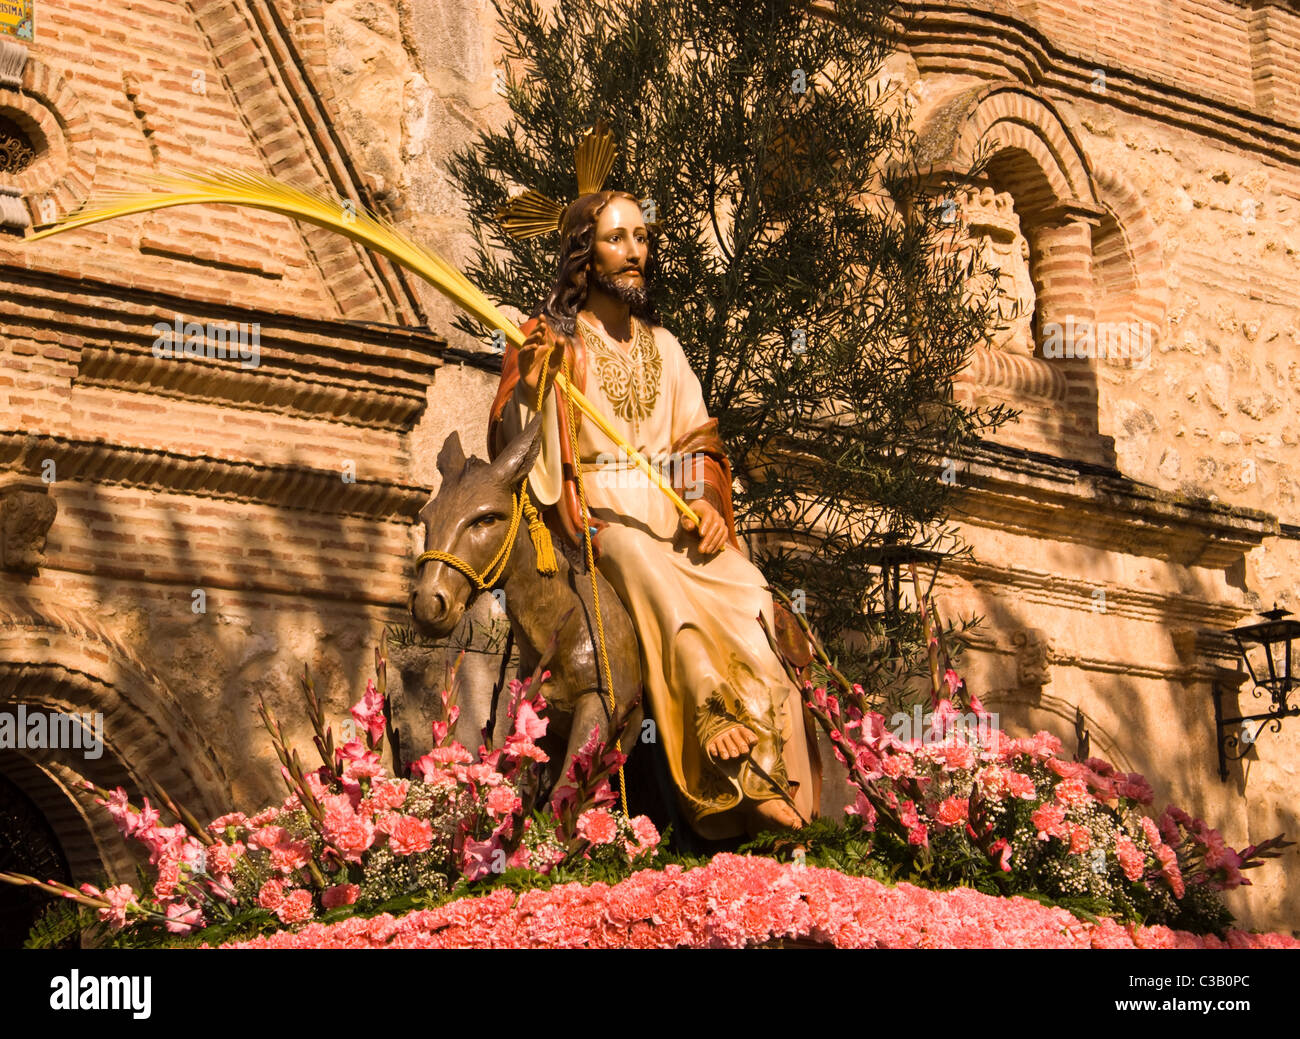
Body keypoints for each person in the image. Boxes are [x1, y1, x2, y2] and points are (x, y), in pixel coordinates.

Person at [488, 186, 819, 840]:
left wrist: (705, 500)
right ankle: (717, 733)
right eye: (618, 238)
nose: (635, 251)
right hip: (602, 515)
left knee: (751, 592)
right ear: (585, 254)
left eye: (642, 237)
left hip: (673, 513)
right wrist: (532, 383)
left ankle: (783, 775)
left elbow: (696, 438)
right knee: (646, 568)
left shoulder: (664, 347)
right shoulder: (555, 342)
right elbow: (514, 443)